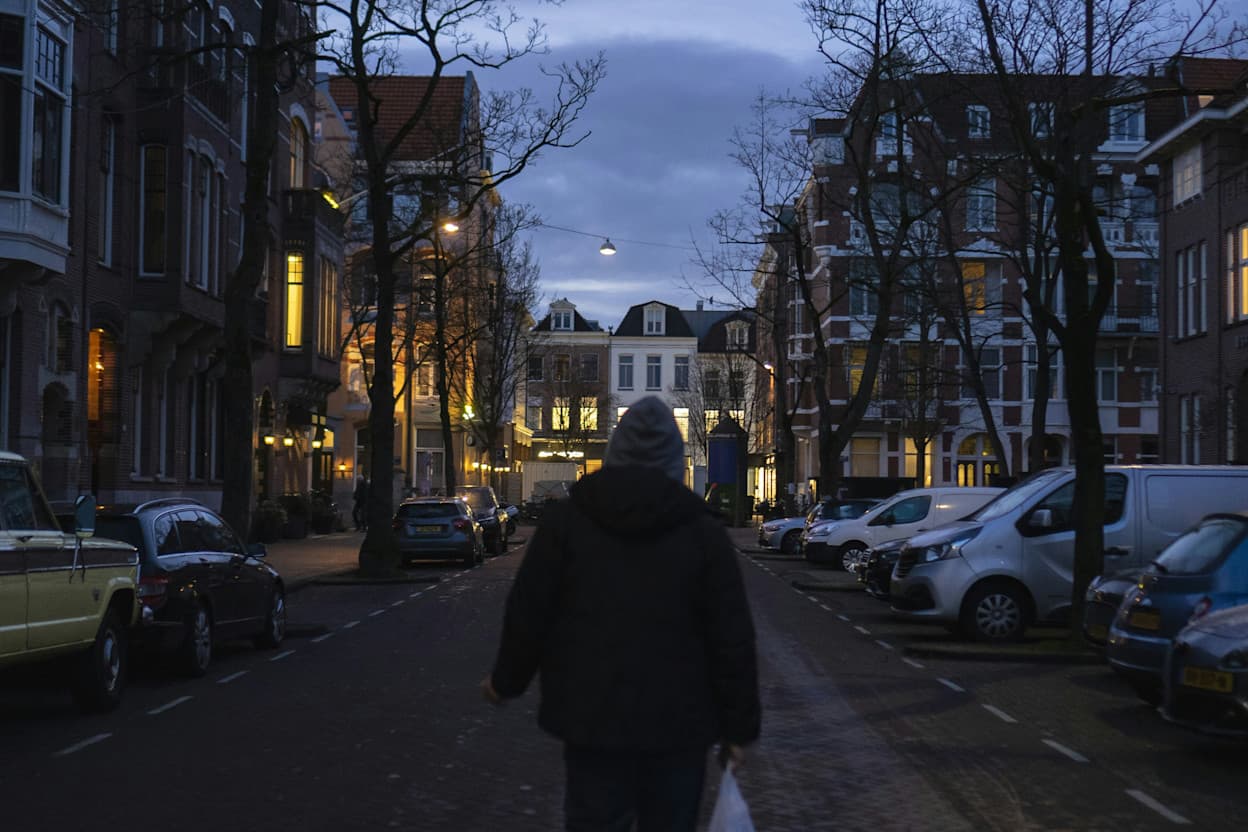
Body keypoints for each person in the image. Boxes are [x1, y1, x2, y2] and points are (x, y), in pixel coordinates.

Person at [482, 395, 760, 831]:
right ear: (673, 459)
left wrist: (505, 681)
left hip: (593, 717)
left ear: (614, 452)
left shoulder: (567, 523)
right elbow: (732, 637)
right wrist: (739, 728)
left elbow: (530, 611)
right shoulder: (702, 532)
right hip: (679, 724)